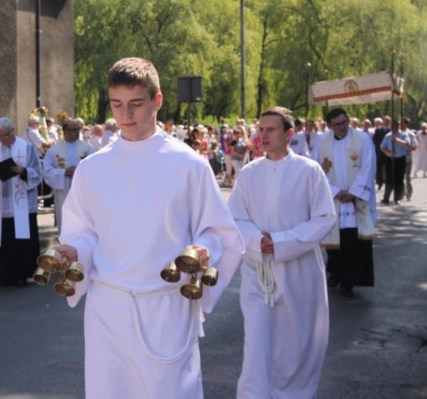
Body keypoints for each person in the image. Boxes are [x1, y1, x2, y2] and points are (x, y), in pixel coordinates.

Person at [52, 57, 245, 398]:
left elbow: (219, 232)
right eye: (117, 105)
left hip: (165, 308)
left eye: (136, 104)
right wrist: (73, 252)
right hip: (107, 309)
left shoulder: (188, 164)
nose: (125, 115)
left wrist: (203, 250)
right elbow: (84, 233)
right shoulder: (93, 168)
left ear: (157, 101)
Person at [228, 107, 336, 398]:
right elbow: (235, 218)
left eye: (270, 130)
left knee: (295, 344)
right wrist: (256, 241)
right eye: (260, 129)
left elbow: (325, 218)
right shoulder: (249, 173)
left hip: (298, 272)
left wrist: (280, 242)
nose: (262, 135)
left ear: (289, 134)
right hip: (258, 272)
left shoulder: (308, 171)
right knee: (257, 344)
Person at [312, 108, 377, 297]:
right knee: (334, 240)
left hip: (356, 201)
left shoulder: (362, 139)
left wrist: (354, 192)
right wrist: (334, 191)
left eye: (344, 122)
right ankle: (335, 272)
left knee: (353, 242)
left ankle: (349, 281)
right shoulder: (322, 142)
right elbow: (317, 170)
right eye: (337, 124)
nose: (342, 127)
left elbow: (368, 166)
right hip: (334, 199)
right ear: (330, 125)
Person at [0, 117, 42, 286]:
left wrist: (23, 171)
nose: (3, 139)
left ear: (13, 131)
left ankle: (25, 273)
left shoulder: (27, 148)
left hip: (23, 201)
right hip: (5, 202)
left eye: (6, 135)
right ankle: (8, 275)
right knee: (8, 239)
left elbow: (37, 173)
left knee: (23, 239)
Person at [43, 119, 93, 235]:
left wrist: (79, 172)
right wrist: (63, 173)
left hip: (82, 193)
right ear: (66, 131)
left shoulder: (87, 148)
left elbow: (94, 168)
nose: (78, 132)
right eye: (75, 130)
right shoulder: (54, 150)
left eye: (78, 129)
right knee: (65, 223)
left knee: (82, 225)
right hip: (63, 194)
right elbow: (46, 171)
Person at [380, 119, 413, 204]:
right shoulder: (387, 136)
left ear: (398, 126)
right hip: (390, 159)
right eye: (392, 126)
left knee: (399, 178)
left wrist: (397, 140)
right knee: (389, 178)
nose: (393, 127)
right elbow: (382, 147)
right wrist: (389, 152)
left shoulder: (403, 135)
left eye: (395, 126)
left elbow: (407, 144)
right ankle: (386, 197)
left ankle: (397, 197)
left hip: (400, 159)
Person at [399, 117, 416, 201]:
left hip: (407, 158)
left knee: (407, 177)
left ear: (406, 124)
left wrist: (406, 147)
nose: (400, 124)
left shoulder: (410, 134)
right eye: (400, 123)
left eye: (402, 123)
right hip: (398, 158)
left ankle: (409, 194)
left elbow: (414, 146)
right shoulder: (397, 133)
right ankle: (401, 193)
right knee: (400, 176)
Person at [372, 116, 390, 190]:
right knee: (379, 168)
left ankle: (388, 182)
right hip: (379, 152)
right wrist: (380, 146)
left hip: (388, 152)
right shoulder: (378, 130)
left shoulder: (391, 130)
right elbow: (375, 140)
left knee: (387, 169)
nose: (386, 122)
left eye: (388, 121)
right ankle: (380, 183)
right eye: (385, 121)